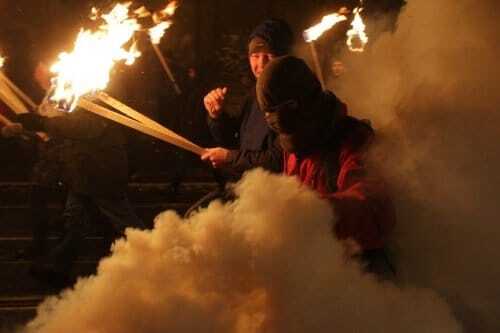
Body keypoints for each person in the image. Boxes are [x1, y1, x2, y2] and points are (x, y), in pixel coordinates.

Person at [256, 55, 396, 278]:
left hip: (359, 280)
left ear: (296, 104)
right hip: (316, 275)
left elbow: (374, 206)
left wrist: (314, 212)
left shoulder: (352, 138)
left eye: (275, 111)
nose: (271, 120)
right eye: (266, 113)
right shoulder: (293, 148)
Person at [15, 103, 144, 286]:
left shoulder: (98, 112)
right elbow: (68, 131)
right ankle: (57, 268)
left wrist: (41, 122)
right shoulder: (84, 109)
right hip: (84, 178)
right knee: (74, 222)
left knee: (125, 222)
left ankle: (156, 253)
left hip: (102, 177)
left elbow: (78, 126)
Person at [186, 19, 293, 216]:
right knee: (193, 217)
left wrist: (229, 157)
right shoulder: (254, 96)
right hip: (244, 188)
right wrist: (217, 116)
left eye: (268, 55)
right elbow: (236, 141)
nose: (261, 64)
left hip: (272, 199)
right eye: (255, 55)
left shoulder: (290, 100)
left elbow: (278, 160)